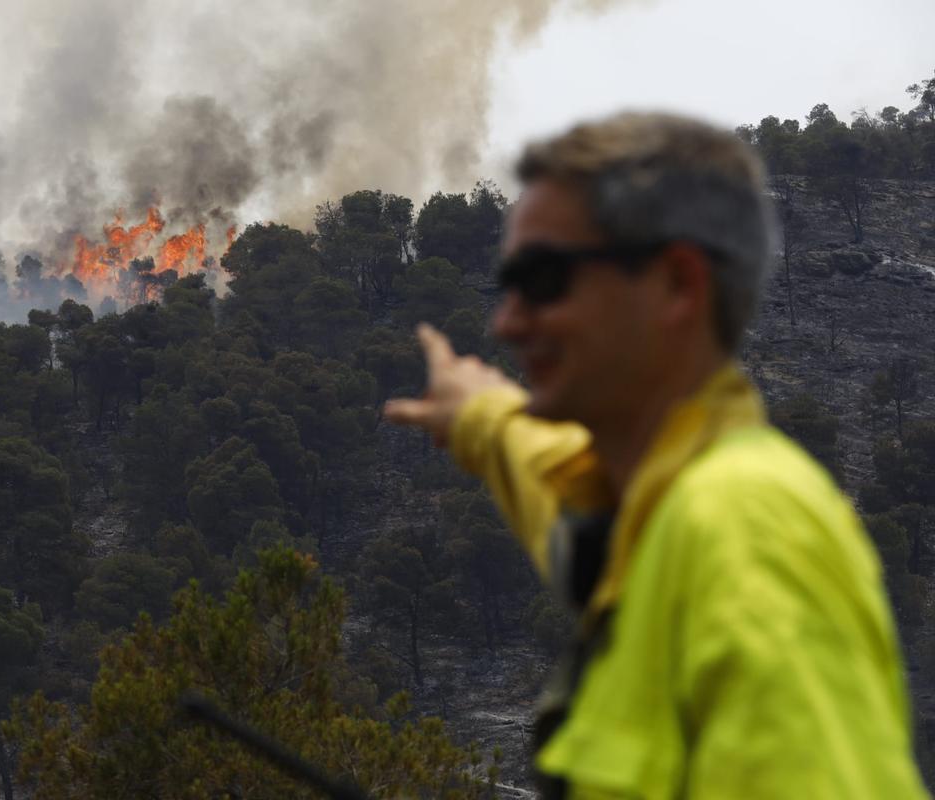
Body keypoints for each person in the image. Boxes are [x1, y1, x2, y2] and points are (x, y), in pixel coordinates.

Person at [384, 112, 928, 799]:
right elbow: (565, 488)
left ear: (678, 284)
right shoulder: (648, 508)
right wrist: (479, 415)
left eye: (545, 280)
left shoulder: (745, 529)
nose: (509, 322)